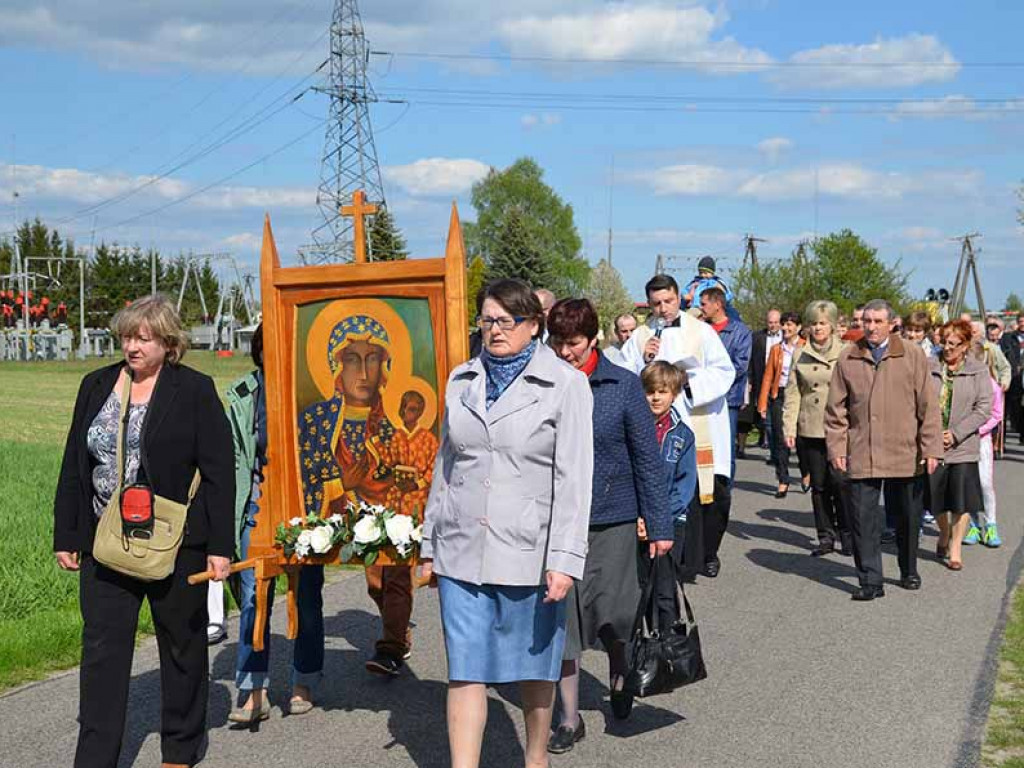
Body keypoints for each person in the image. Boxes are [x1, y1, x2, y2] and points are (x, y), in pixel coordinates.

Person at [419, 279, 594, 768]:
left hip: (529, 552)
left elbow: (574, 480)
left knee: (533, 671)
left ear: (533, 326)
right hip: (462, 547)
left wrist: (563, 560)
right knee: (465, 670)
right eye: (487, 320)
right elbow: (446, 467)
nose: (495, 330)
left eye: (506, 321)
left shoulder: (565, 384)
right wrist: (430, 543)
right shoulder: (461, 379)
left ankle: (535, 757)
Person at [53, 295, 233, 768]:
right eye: (126, 337)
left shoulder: (194, 390)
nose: (131, 346)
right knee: (101, 656)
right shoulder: (96, 385)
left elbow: (219, 472)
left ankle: (180, 748)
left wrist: (220, 548)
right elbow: (75, 462)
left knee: (182, 647)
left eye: (142, 337)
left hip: (176, 544)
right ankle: (94, 758)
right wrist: (67, 534)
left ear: (169, 342)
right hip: (105, 541)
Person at [546, 298, 672, 752]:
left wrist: (659, 525)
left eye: (573, 343)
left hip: (613, 520)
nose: (564, 352)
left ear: (593, 339)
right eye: (557, 342)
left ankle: (621, 673)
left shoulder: (621, 386)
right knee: (561, 623)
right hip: (557, 524)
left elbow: (647, 461)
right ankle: (568, 717)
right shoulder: (542, 383)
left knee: (616, 616)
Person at [296, 314, 419, 676]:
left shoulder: (390, 424)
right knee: (375, 582)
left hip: (389, 514)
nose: (363, 372)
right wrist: (341, 484)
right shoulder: (317, 420)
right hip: (340, 515)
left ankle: (391, 646)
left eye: (372, 359)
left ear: (385, 367)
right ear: (336, 366)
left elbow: (404, 473)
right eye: (352, 359)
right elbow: (306, 472)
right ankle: (398, 629)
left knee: (395, 574)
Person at [228, 323, 325, 723]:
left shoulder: (312, 392)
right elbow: (236, 460)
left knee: (305, 597)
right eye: (269, 346)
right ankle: (253, 690)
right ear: (259, 350)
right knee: (254, 596)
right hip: (259, 504)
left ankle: (303, 680)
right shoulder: (245, 394)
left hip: (307, 508)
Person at [825, 299, 942, 600]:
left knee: (907, 516)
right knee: (863, 520)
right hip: (862, 450)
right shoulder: (848, 357)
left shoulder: (912, 355)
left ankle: (908, 568)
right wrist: (837, 446)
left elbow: (928, 407)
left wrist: (931, 449)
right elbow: (835, 409)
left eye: (878, 321)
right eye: (867, 321)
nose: (872, 327)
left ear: (892, 324)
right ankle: (870, 581)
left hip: (904, 450)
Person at [621, 274, 735, 579]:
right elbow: (623, 375)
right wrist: (642, 361)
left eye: (668, 301)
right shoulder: (641, 335)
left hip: (698, 419)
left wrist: (688, 381)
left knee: (706, 492)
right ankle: (668, 556)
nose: (663, 308)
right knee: (665, 488)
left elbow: (725, 370)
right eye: (656, 303)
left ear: (678, 298)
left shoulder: (701, 332)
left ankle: (706, 554)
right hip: (656, 425)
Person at [783, 302, 849, 554]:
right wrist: (789, 427)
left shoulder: (846, 352)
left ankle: (847, 533)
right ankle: (825, 536)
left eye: (822, 323)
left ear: (832, 325)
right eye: (813, 323)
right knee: (819, 486)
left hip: (839, 428)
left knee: (841, 483)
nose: (818, 328)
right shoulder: (800, 354)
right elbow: (793, 394)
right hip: (810, 428)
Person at [928, 319, 993, 571]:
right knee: (935, 498)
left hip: (963, 444)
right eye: (944, 342)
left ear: (966, 345)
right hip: (933, 443)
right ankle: (943, 532)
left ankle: (955, 547)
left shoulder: (978, 370)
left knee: (960, 500)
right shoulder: (930, 366)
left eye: (954, 344)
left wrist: (955, 433)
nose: (947, 348)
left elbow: (984, 408)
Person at [639, 361, 697, 631]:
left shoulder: (682, 435)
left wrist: (658, 520)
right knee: (638, 591)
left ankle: (667, 646)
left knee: (664, 590)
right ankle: (638, 648)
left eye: (662, 391)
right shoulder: (633, 428)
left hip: (670, 522)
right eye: (650, 391)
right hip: (635, 521)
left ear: (673, 393)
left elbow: (684, 487)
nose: (656, 397)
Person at [700, 286, 751, 475]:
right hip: (701, 398)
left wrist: (713, 381)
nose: (701, 308)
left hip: (727, 399)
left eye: (704, 304)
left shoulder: (740, 332)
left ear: (718, 304)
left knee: (724, 450)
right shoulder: (700, 329)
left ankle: (723, 495)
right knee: (703, 447)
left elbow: (740, 365)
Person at [758, 311, 804, 498]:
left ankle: (806, 472)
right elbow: (768, 377)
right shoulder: (777, 349)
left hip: (800, 395)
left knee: (801, 438)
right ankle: (783, 479)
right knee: (779, 439)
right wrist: (762, 403)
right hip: (780, 393)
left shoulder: (806, 347)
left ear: (798, 327)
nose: (785, 328)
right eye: (784, 324)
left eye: (790, 324)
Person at [971, 355, 1004, 548]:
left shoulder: (992, 385)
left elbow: (997, 414)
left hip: (981, 439)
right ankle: (973, 524)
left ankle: (991, 523)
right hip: (962, 439)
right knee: (967, 484)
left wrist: (979, 430)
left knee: (984, 483)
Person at [749, 309, 782, 458]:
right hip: (762, 380)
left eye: (776, 322)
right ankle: (772, 449)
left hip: (781, 382)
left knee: (779, 418)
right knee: (766, 418)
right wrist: (750, 379)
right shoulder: (757, 337)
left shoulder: (787, 337)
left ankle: (779, 450)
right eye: (770, 322)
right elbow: (751, 360)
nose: (773, 325)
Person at [999, 312, 1024, 441]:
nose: (1022, 324)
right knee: (1012, 407)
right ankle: (1001, 441)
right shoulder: (1009, 338)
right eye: (1020, 321)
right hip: (1014, 376)